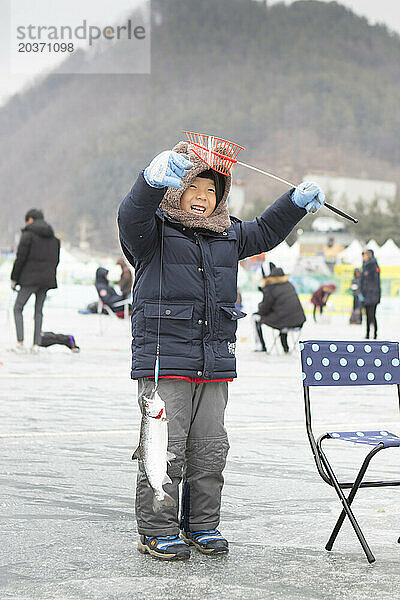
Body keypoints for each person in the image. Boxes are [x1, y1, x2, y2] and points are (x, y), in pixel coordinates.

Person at [118, 140, 325, 561]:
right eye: (193, 187)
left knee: (210, 448)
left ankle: (202, 525)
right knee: (165, 449)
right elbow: (131, 214)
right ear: (176, 190)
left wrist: (294, 203)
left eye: (211, 190)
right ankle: (156, 528)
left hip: (214, 360)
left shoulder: (228, 233)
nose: (202, 197)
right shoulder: (152, 233)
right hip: (165, 360)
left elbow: (266, 230)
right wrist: (149, 181)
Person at [10, 209, 60, 353]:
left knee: (18, 308)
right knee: (39, 311)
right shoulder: (54, 239)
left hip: (29, 279)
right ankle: (36, 345)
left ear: (30, 220)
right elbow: (56, 260)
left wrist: (14, 278)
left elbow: (20, 258)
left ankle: (20, 343)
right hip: (46, 280)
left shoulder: (27, 235)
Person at [252, 262, 306, 353]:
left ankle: (261, 346)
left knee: (255, 318)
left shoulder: (270, 287)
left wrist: (259, 307)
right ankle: (285, 347)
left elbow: (264, 309)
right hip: (299, 322)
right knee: (283, 316)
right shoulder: (289, 284)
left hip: (284, 322)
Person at [361, 248, 381, 339]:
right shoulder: (364, 266)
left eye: (364, 254)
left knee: (372, 314)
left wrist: (373, 294)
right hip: (366, 295)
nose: (363, 256)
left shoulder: (373, 265)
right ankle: (368, 333)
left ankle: (375, 334)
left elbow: (376, 282)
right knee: (367, 315)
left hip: (373, 295)